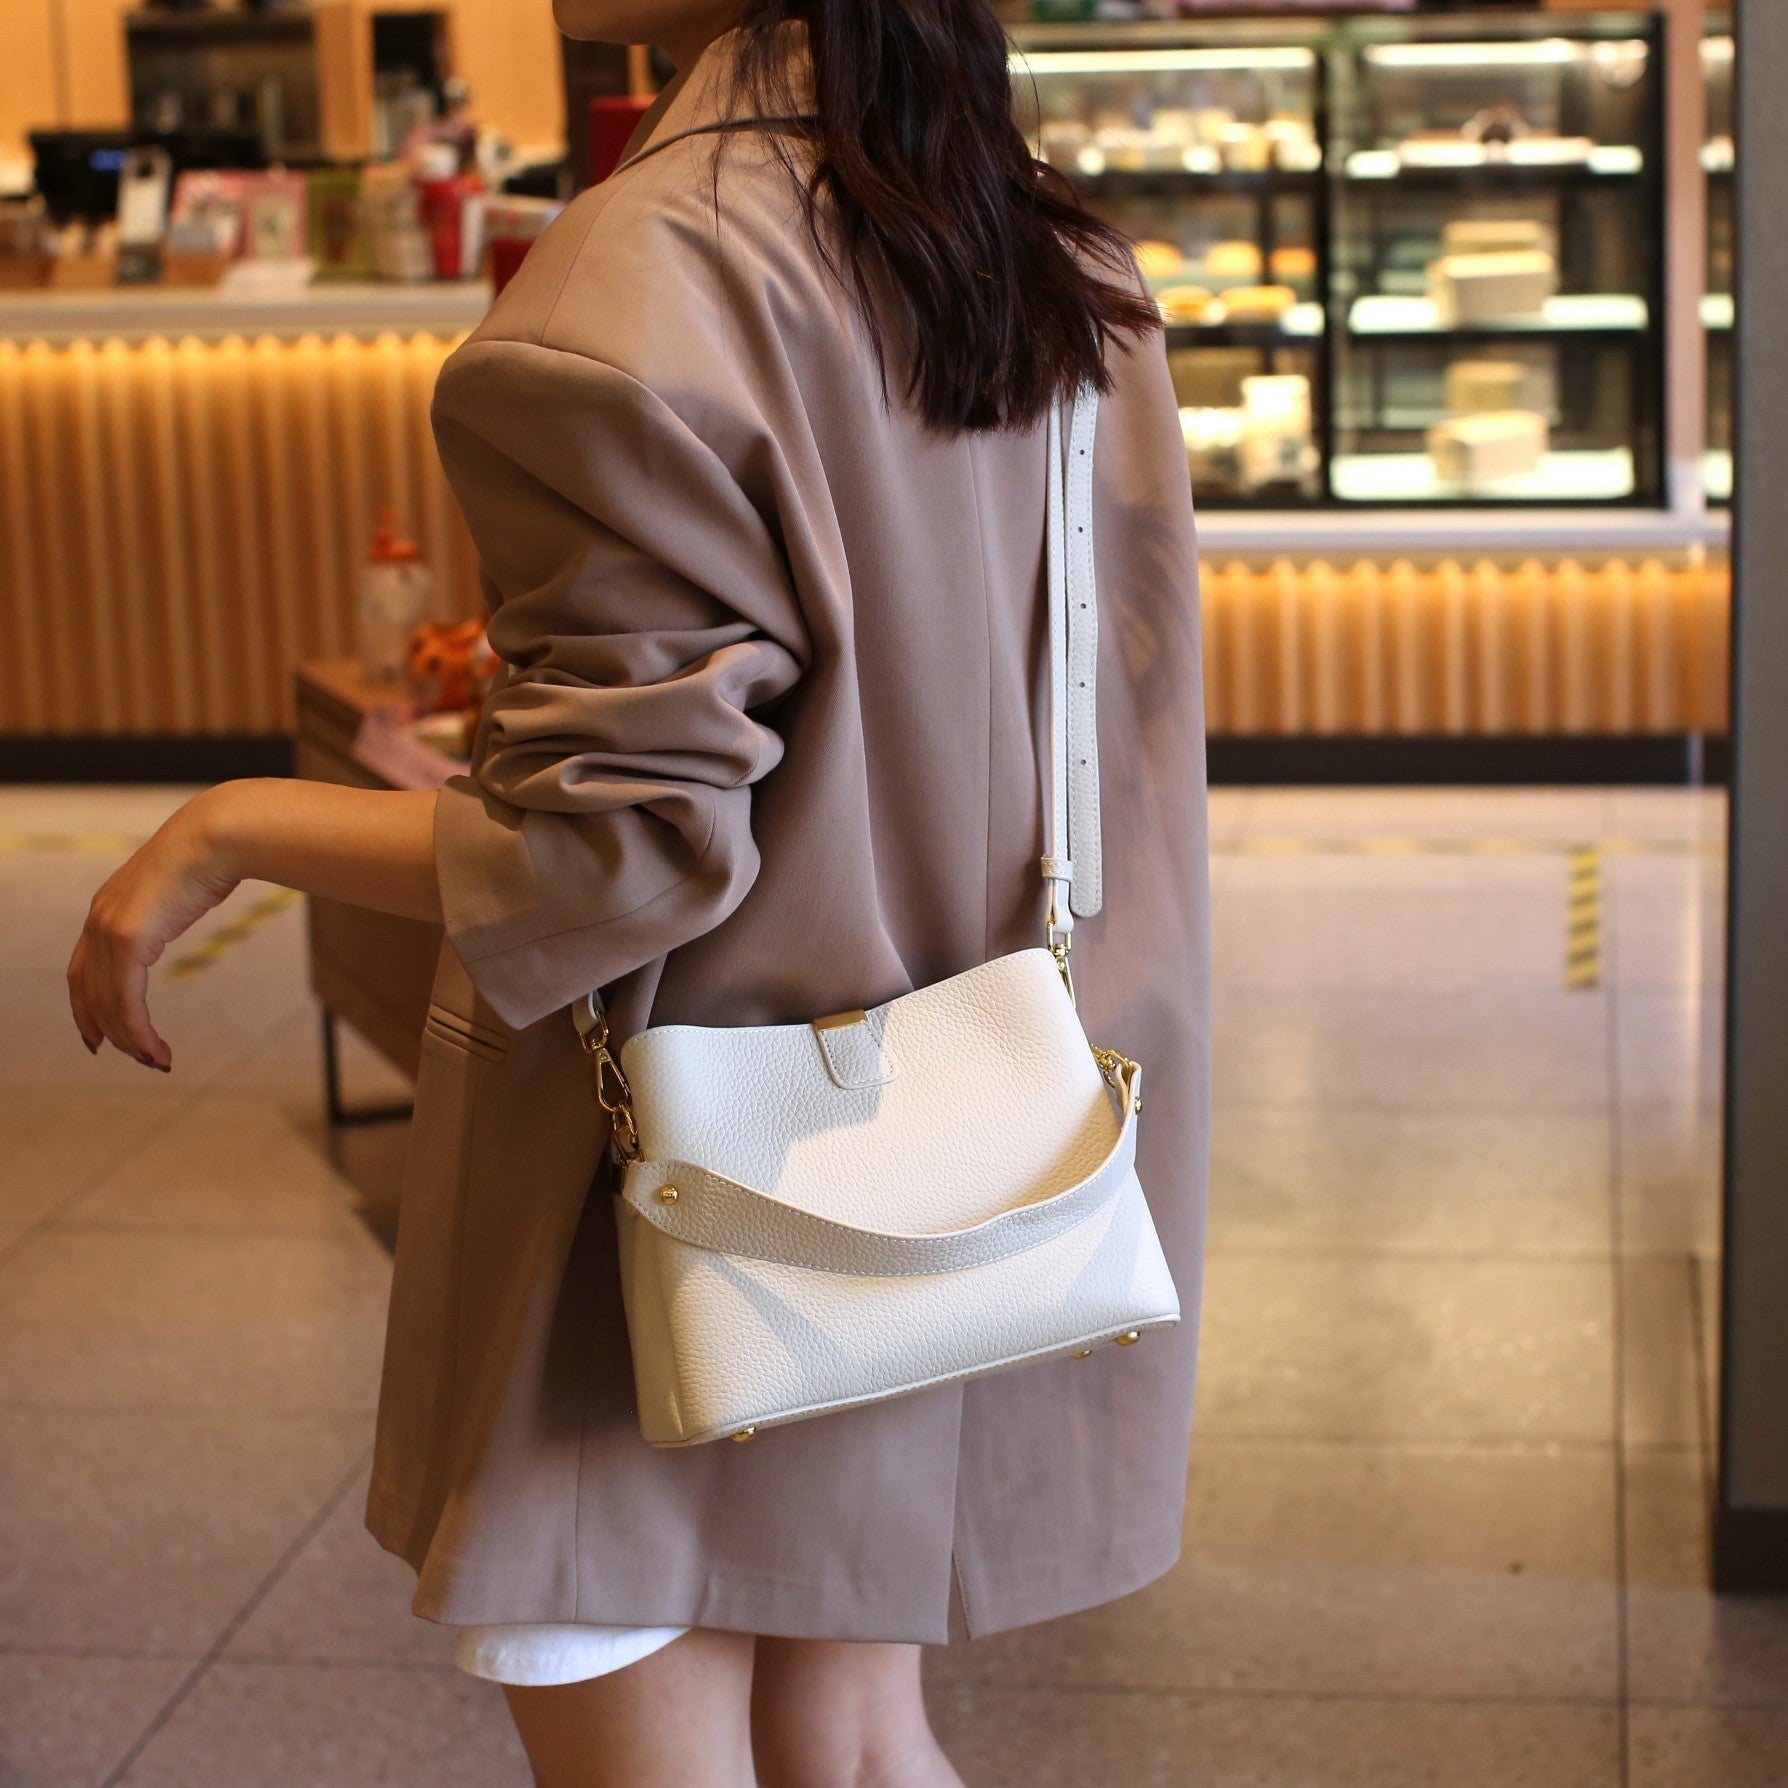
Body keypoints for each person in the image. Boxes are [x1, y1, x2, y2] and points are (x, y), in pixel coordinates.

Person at [65, 2, 1211, 1783]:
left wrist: (231, 826)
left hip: (676, 1203)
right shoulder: (1050, 259)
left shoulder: (641, 271)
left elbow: (603, 854)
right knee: (854, 1738)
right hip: (950, 1153)